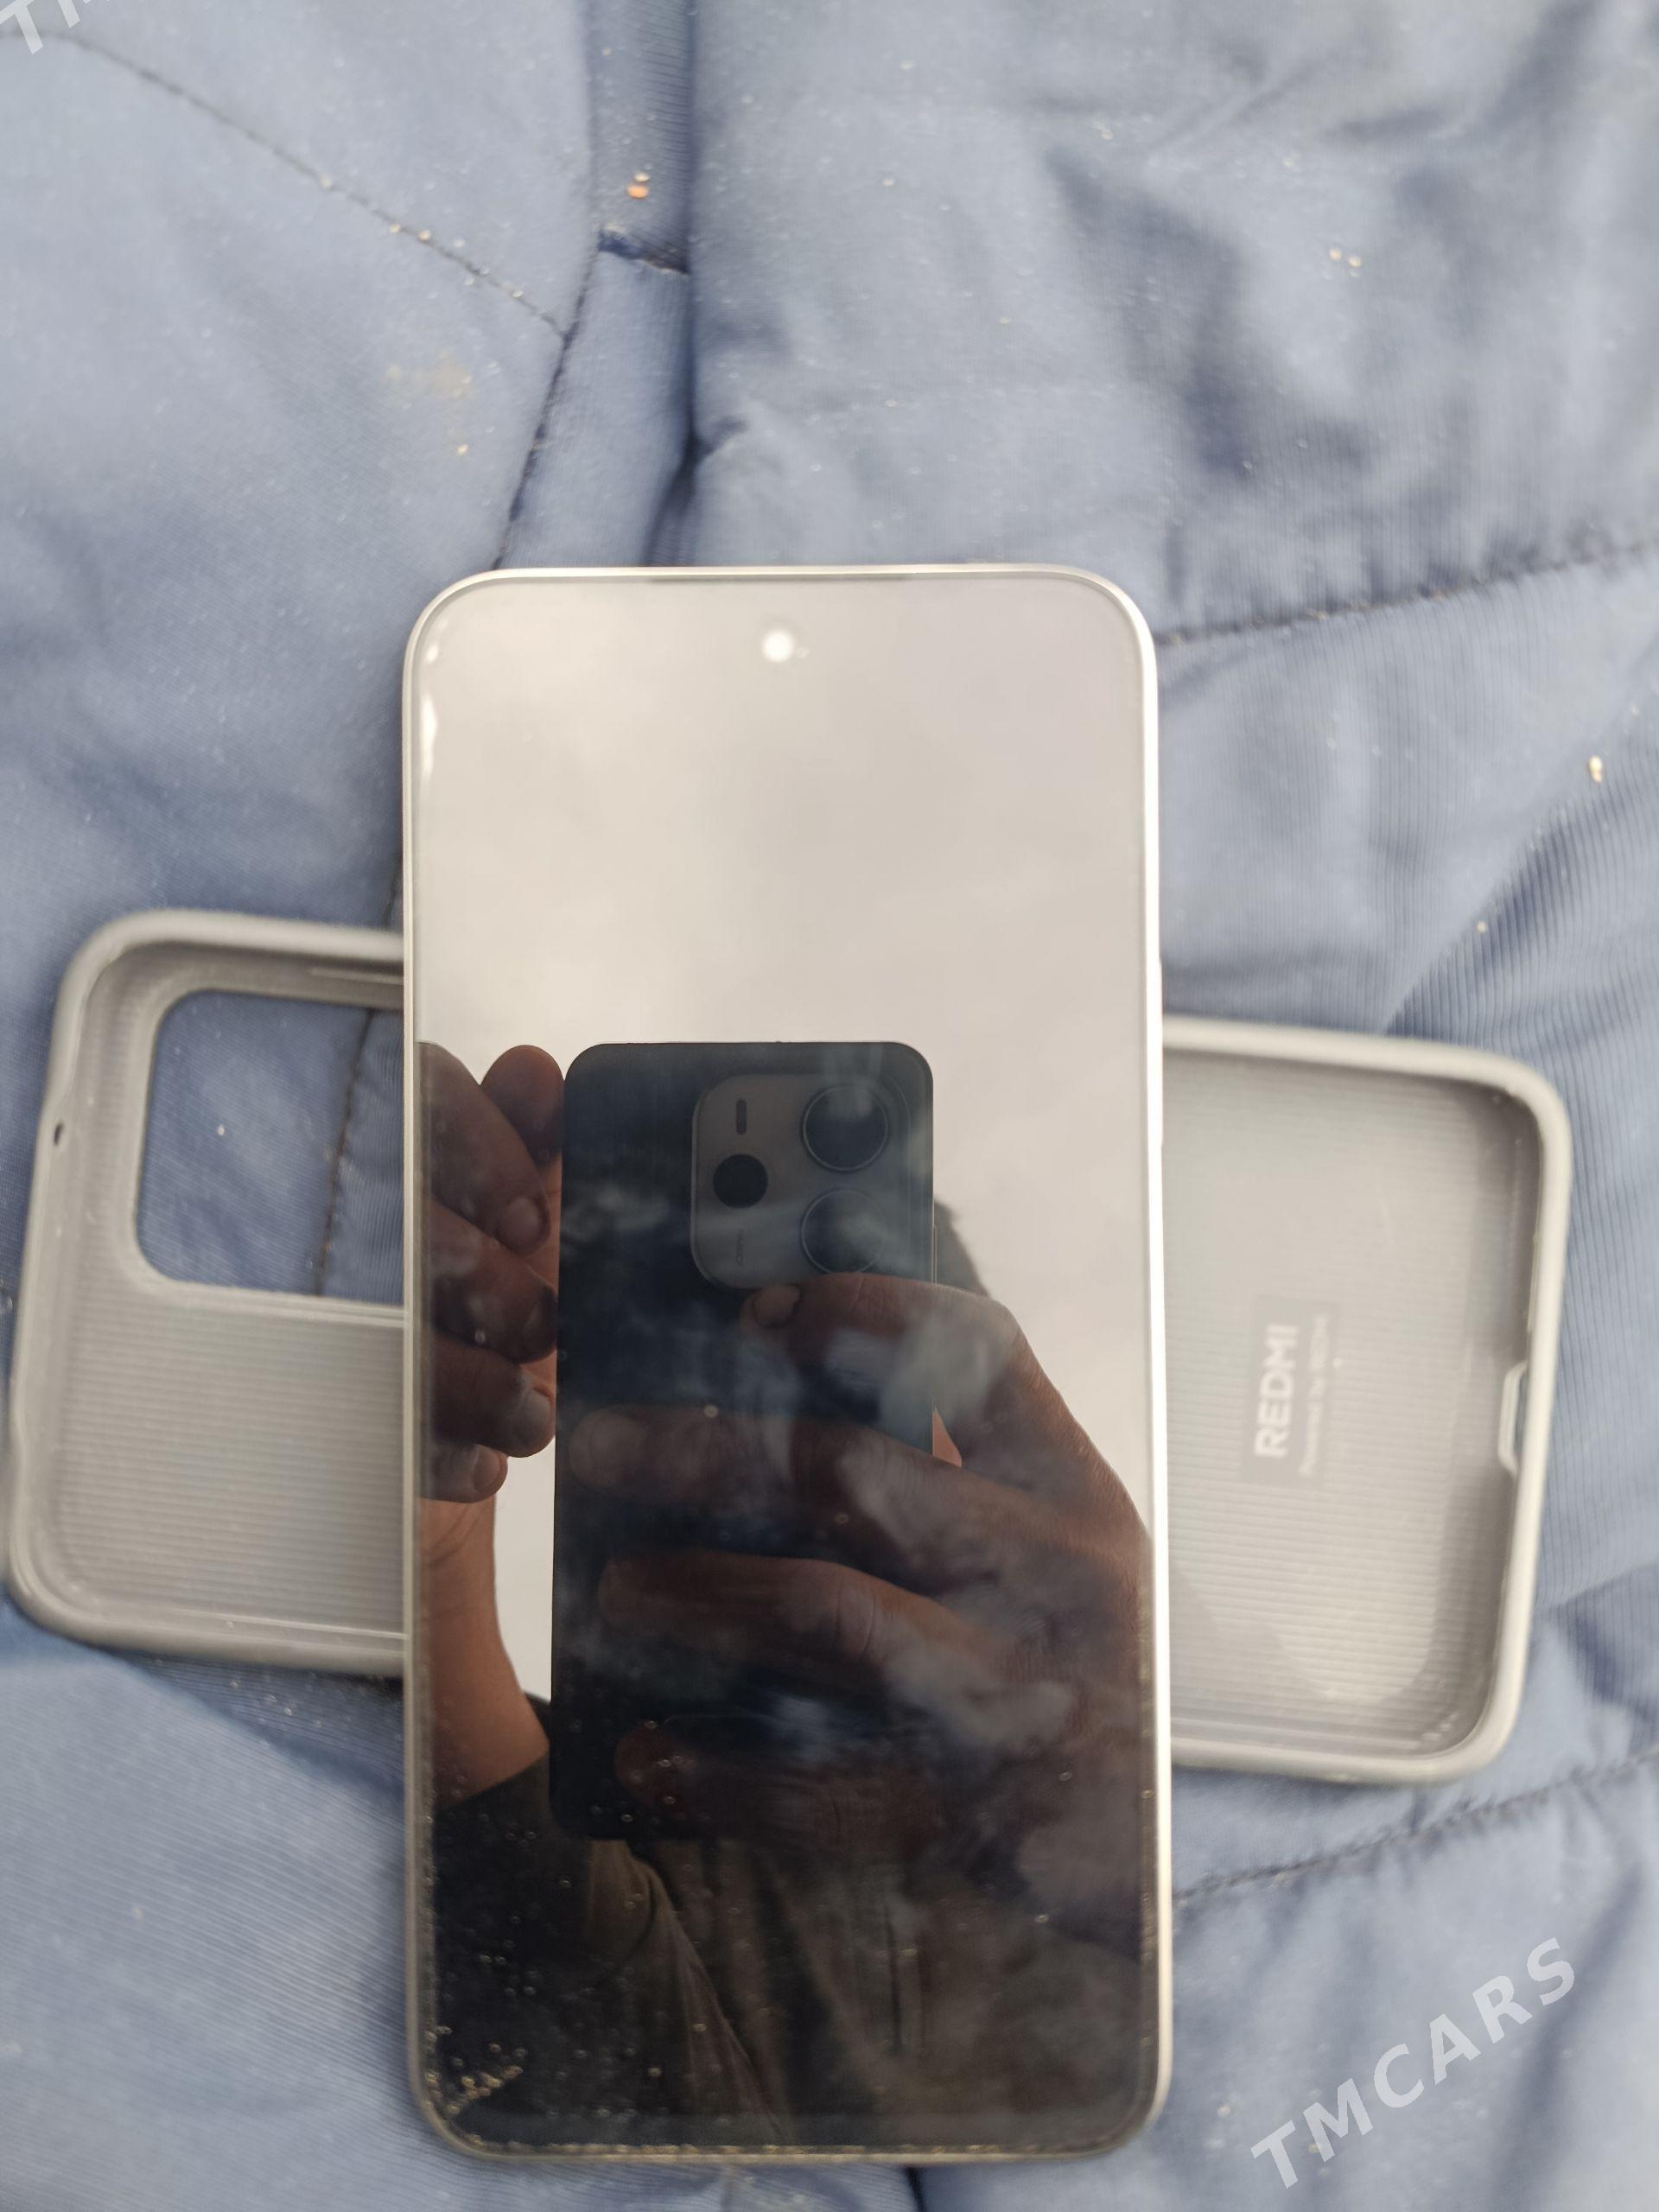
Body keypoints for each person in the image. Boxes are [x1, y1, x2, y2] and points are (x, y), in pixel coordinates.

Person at [417, 1043, 1151, 2148]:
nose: (773, 1455)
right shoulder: (627, 1808)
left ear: (993, 1447)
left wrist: (1127, 1786)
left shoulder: (1111, 1802)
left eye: (848, 1392)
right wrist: (435, 1568)